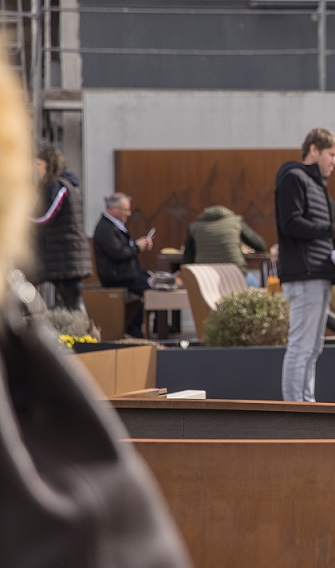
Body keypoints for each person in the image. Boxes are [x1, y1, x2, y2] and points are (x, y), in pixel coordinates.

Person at [0, 50, 191, 568]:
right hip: (89, 272)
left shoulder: (61, 193)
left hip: (70, 267)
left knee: (75, 304)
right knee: (78, 304)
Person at [275, 127, 335, 402]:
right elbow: (290, 223)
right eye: (331, 154)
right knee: (302, 347)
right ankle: (295, 409)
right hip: (304, 276)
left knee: (312, 347)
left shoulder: (315, 184)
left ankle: (305, 404)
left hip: (316, 274)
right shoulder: (294, 177)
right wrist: (332, 229)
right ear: (313, 149)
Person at [31, 140, 92, 312]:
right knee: (69, 302)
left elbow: (45, 217)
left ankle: (84, 337)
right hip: (62, 256)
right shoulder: (64, 185)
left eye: (38, 164)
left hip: (67, 257)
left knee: (73, 302)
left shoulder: (59, 186)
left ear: (49, 165)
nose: (36, 169)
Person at [93, 193, 154, 337]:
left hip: (125, 273)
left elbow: (123, 248)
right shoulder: (105, 228)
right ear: (115, 209)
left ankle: (135, 326)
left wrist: (136, 245)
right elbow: (119, 253)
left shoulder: (113, 226)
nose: (129, 213)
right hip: (117, 276)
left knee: (153, 281)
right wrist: (137, 247)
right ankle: (134, 327)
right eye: (126, 210)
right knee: (152, 289)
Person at [183, 204, 267, 287]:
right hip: (236, 273)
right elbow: (260, 245)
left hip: (206, 277)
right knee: (255, 287)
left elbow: (187, 259)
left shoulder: (194, 227)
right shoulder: (236, 221)